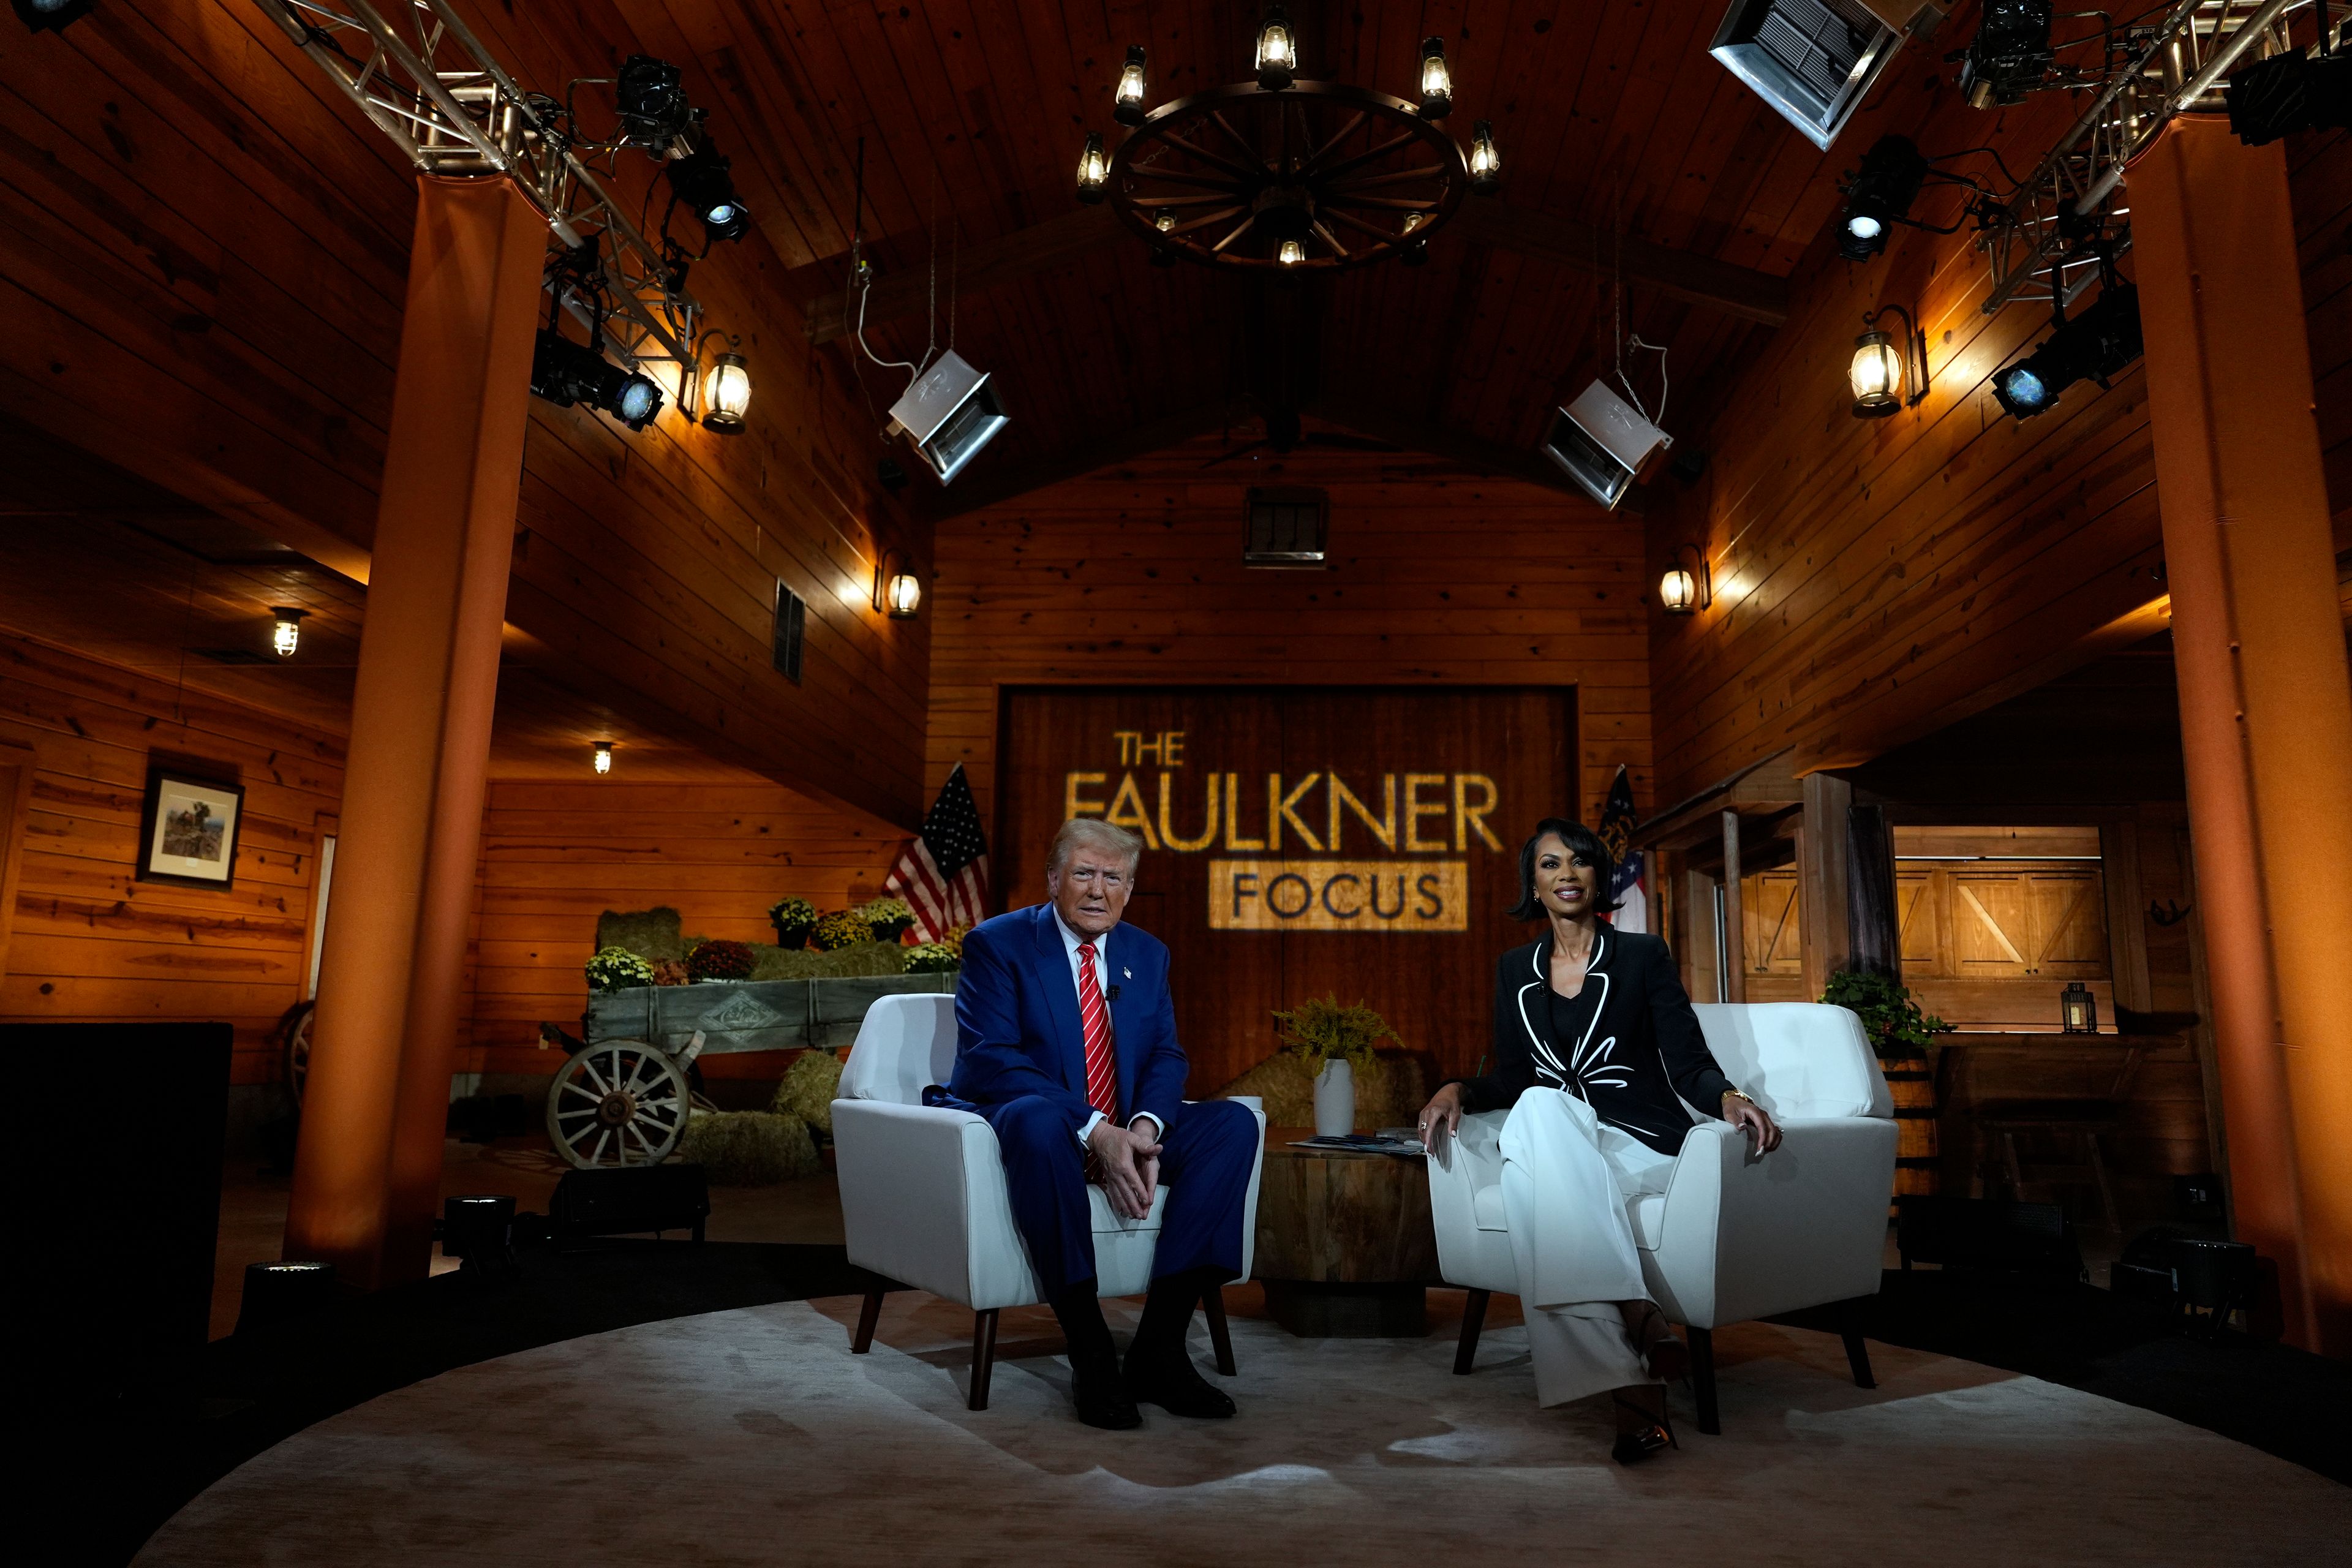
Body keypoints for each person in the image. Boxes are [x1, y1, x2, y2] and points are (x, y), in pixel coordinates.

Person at [1415, 817, 1781, 1463]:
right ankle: (1635, 1366)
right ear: (1533, 880)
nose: (1567, 874)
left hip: (1638, 1141)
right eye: (1551, 863)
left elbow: (1688, 1061)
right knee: (1537, 1109)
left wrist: (1731, 1098)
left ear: (1597, 875)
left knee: (1535, 1176)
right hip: (1562, 1140)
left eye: (1579, 862)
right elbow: (1511, 1076)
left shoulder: (1643, 957)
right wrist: (1456, 1090)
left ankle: (1635, 1337)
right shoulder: (1513, 970)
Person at [948, 816, 1261, 1430]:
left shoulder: (1147, 953)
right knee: (1038, 1122)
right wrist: (1094, 1128)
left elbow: (1166, 1055)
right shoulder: (999, 944)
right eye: (1085, 874)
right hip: (1041, 1125)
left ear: (1130, 886)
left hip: (1120, 1125)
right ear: (1053, 881)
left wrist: (1144, 1130)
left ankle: (1160, 1347)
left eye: (1114, 877)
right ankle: (1090, 1348)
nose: (1099, 890)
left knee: (1232, 1125)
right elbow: (991, 1058)